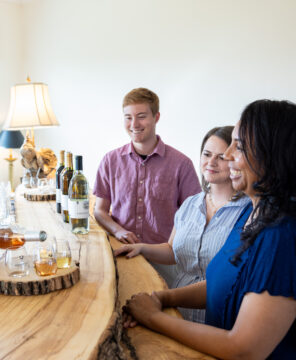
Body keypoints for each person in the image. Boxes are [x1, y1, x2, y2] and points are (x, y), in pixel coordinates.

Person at [123, 99, 296, 359]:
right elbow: (223, 283)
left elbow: (243, 350)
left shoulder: (281, 236)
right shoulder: (253, 211)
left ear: (271, 153)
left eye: (239, 146)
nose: (227, 157)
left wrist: (153, 317)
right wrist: (164, 298)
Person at [114, 126, 250, 323]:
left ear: (236, 161)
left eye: (221, 157)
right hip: (177, 305)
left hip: (219, 312)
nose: (211, 162)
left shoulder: (248, 212)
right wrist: (142, 248)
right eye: (207, 154)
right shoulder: (191, 204)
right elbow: (172, 250)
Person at [93, 87, 201, 246]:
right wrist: (118, 231)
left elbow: (193, 216)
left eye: (141, 117)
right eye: (128, 117)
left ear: (156, 117)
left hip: (164, 257)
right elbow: (100, 211)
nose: (134, 124)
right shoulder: (110, 161)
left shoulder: (182, 164)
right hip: (121, 249)